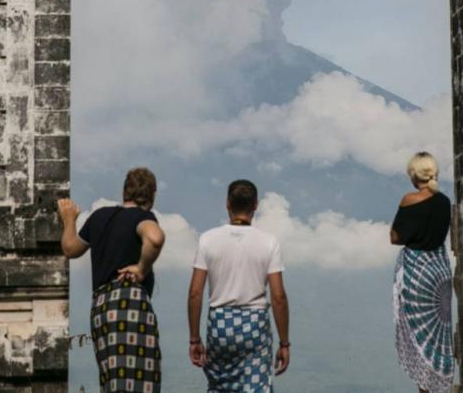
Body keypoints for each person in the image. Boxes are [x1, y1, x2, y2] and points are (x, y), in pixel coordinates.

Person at [58, 167, 166, 393]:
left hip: (100, 308)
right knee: (141, 381)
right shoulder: (143, 217)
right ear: (153, 194)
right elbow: (155, 238)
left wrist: (69, 219)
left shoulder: (99, 216)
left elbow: (70, 248)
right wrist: (142, 268)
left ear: (124, 191)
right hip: (130, 303)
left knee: (113, 380)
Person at [187, 179, 290, 392]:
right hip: (255, 326)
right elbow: (278, 297)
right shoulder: (269, 242)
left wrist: (194, 338)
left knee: (220, 386)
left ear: (227, 204)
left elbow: (195, 293)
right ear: (255, 205)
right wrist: (284, 343)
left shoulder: (207, 239)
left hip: (220, 324)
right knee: (256, 386)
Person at [390, 152, 454, 393]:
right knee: (439, 337)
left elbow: (395, 237)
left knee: (419, 338)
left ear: (414, 175)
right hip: (440, 272)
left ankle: (424, 389)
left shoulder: (409, 200)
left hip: (417, 272)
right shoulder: (445, 201)